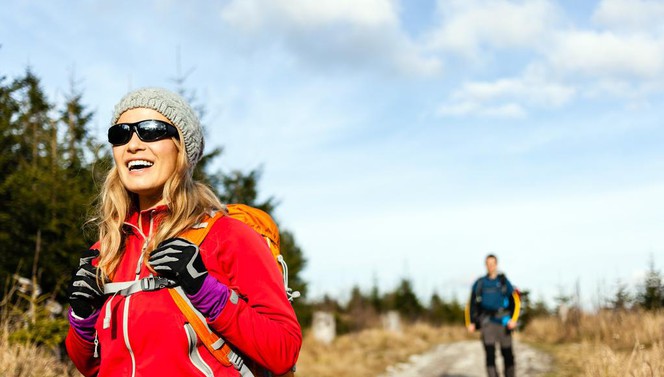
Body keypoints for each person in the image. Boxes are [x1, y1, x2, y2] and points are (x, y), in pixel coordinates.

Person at [65, 87, 302, 377]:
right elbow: (90, 367)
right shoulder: (106, 252)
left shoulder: (227, 236)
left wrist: (205, 290)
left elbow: (284, 350)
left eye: (151, 130)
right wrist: (82, 318)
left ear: (183, 149)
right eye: (121, 134)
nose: (133, 144)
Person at [465, 254, 521, 377]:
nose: (490, 266)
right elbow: (471, 303)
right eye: (488, 264)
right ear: (486, 265)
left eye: (493, 263)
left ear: (496, 264)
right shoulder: (480, 283)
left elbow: (515, 300)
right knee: (490, 355)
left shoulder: (503, 281)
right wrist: (470, 322)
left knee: (508, 355)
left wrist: (514, 319)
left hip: (504, 322)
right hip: (487, 322)